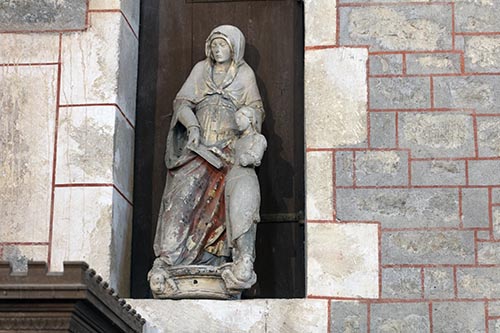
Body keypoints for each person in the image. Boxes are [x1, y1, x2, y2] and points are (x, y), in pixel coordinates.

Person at [151, 25, 264, 278]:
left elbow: (256, 111)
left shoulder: (245, 75)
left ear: (235, 48)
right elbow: (181, 103)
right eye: (213, 45)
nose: (217, 49)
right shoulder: (201, 70)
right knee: (180, 201)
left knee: (224, 206)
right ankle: (169, 258)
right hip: (197, 150)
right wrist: (192, 126)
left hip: (227, 151)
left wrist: (245, 123)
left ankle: (215, 261)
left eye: (222, 44)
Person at [214, 107, 267, 289]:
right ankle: (237, 262)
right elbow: (233, 160)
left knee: (243, 221)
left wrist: (248, 157)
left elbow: (253, 157)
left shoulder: (258, 139)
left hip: (246, 182)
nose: (237, 122)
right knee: (232, 224)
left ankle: (245, 260)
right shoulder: (237, 142)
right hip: (232, 181)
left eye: (240, 118)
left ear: (250, 118)